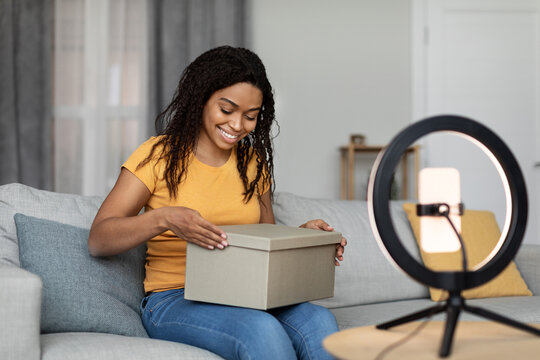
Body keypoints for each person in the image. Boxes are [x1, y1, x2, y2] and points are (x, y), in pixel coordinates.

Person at [88, 46, 347, 360]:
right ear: (201, 100)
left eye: (251, 116)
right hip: (174, 299)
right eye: (227, 110)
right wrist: (165, 219)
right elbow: (99, 239)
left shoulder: (252, 164)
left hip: (247, 294)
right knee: (259, 329)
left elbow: (267, 241)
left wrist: (306, 239)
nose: (238, 125)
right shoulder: (157, 156)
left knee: (320, 320)